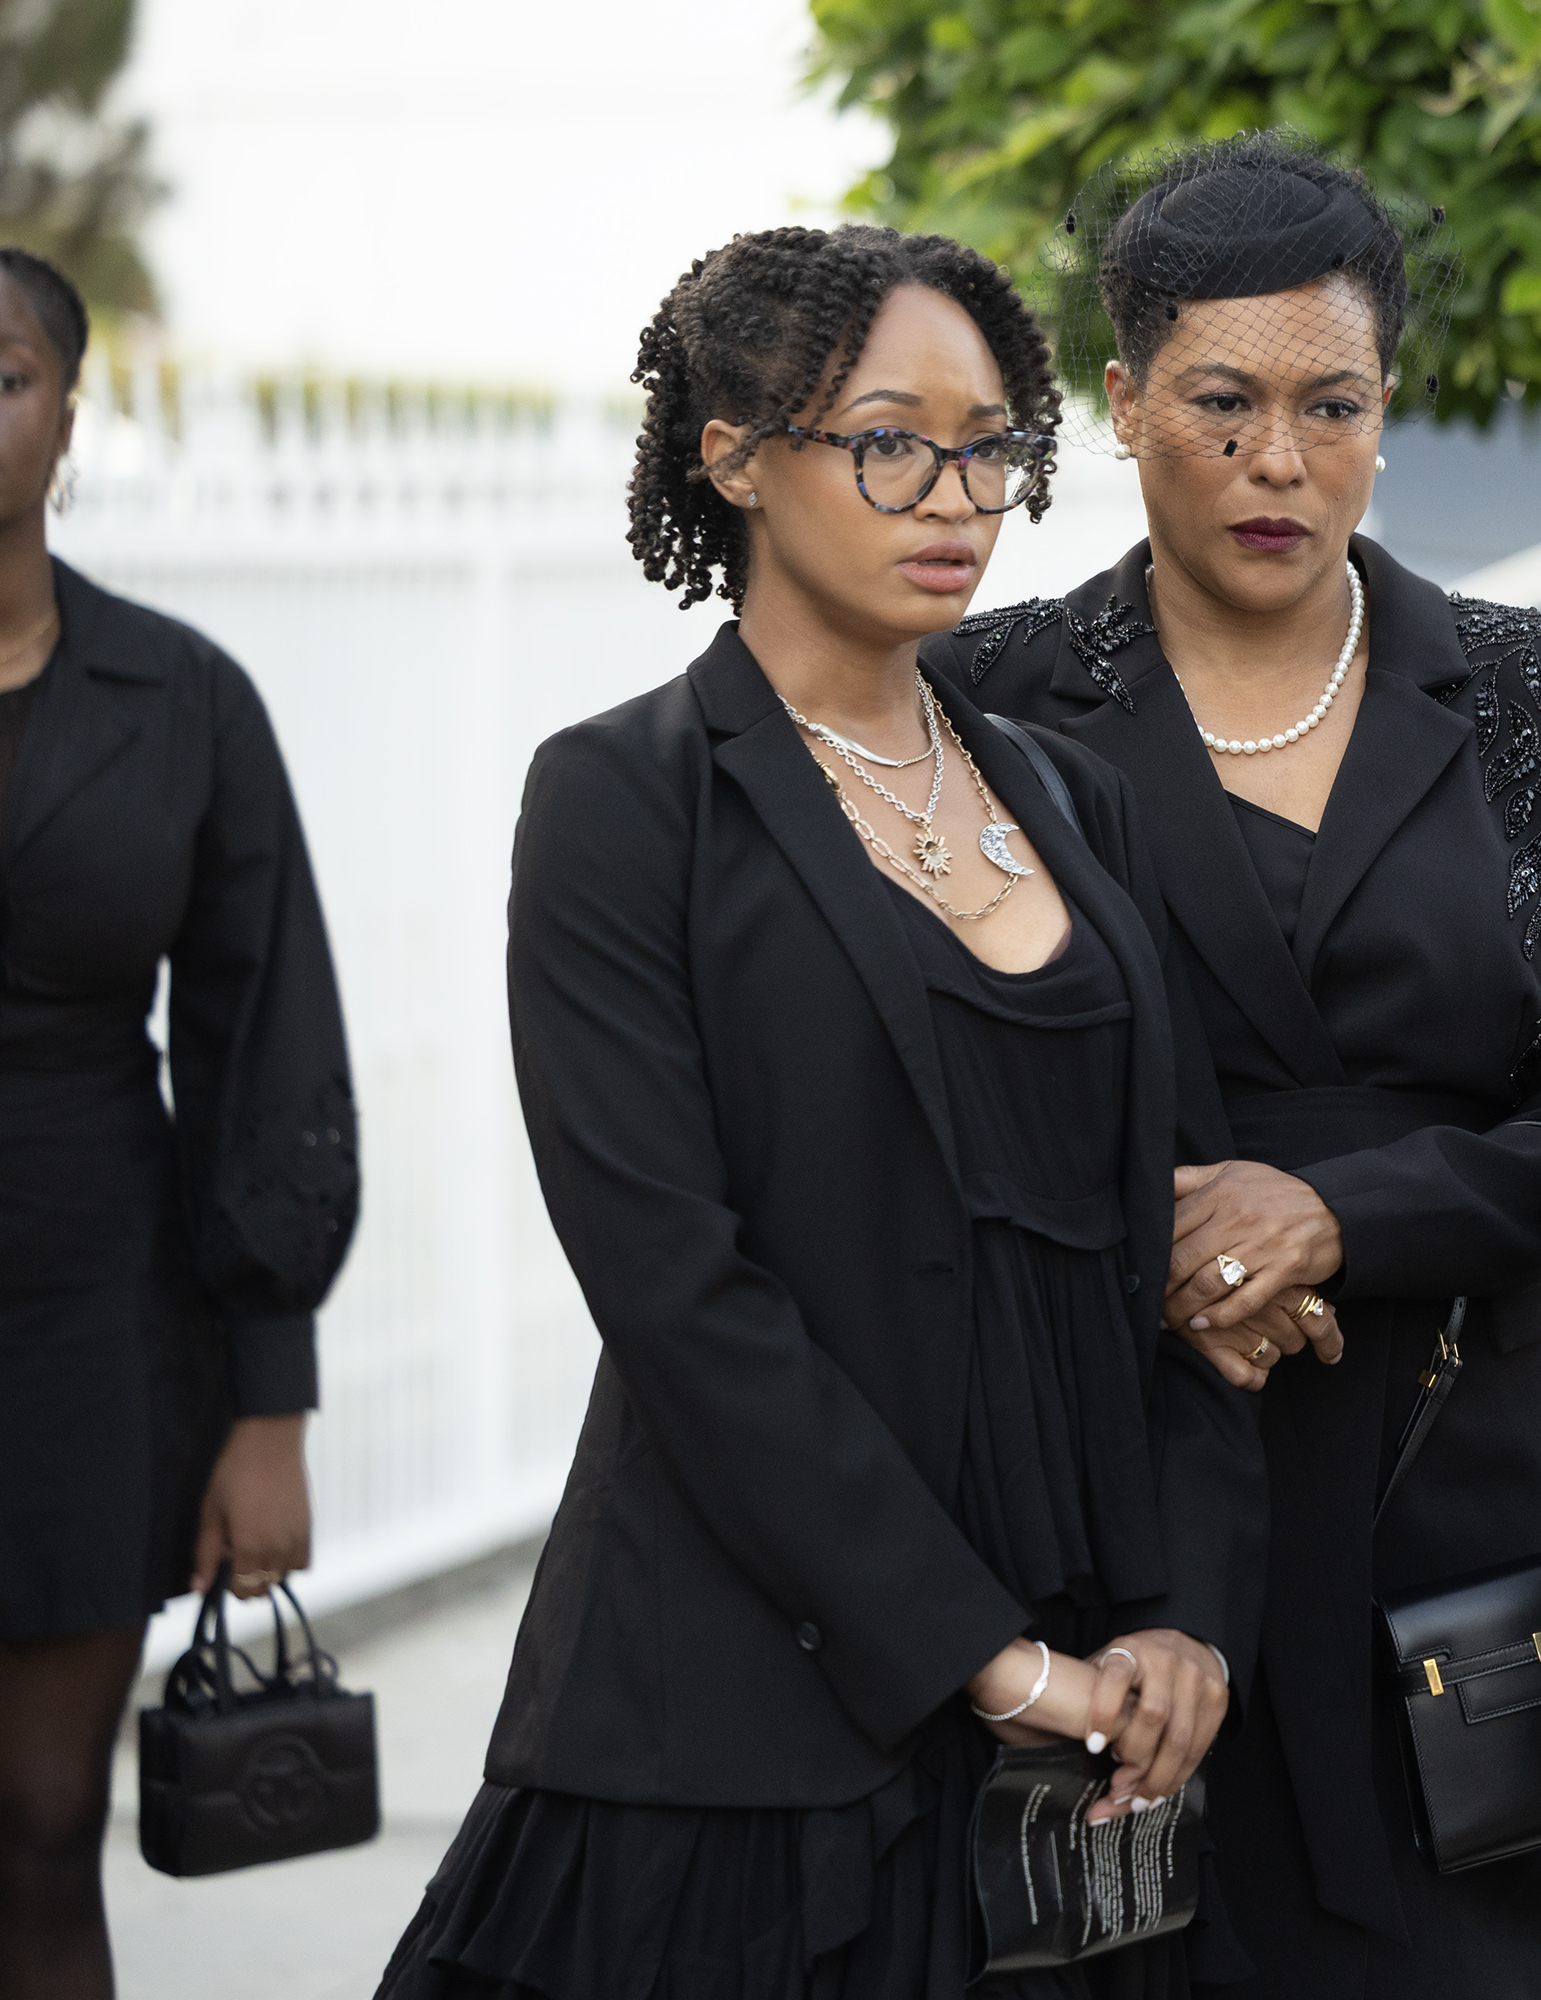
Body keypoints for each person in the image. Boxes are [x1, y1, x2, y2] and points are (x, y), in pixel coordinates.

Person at [377, 224, 1261, 1999]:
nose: (957, 498)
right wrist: (985, 1660)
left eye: (992, 446)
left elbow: (1162, 1244)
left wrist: (1183, 1613)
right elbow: (678, 1292)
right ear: (734, 457)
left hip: (1086, 1711)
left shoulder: (1073, 801)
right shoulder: (624, 803)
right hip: (748, 1708)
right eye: (888, 444)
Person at [935, 133, 1541, 1999]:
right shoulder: (981, 703)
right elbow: (914, 1109)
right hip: (1114, 1510)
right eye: (1221, 402)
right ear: (1120, 402)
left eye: (1335, 403)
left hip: (1466, 1523)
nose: (1279, 458)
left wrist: (1334, 1213)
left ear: (1388, 406)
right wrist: (1158, 1247)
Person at [0, 247, 355, 2000]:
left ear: (68, 416)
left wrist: (267, 1404)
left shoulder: (182, 699)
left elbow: (262, 1052)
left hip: (80, 1321)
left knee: (40, 1824)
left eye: (2, 375)